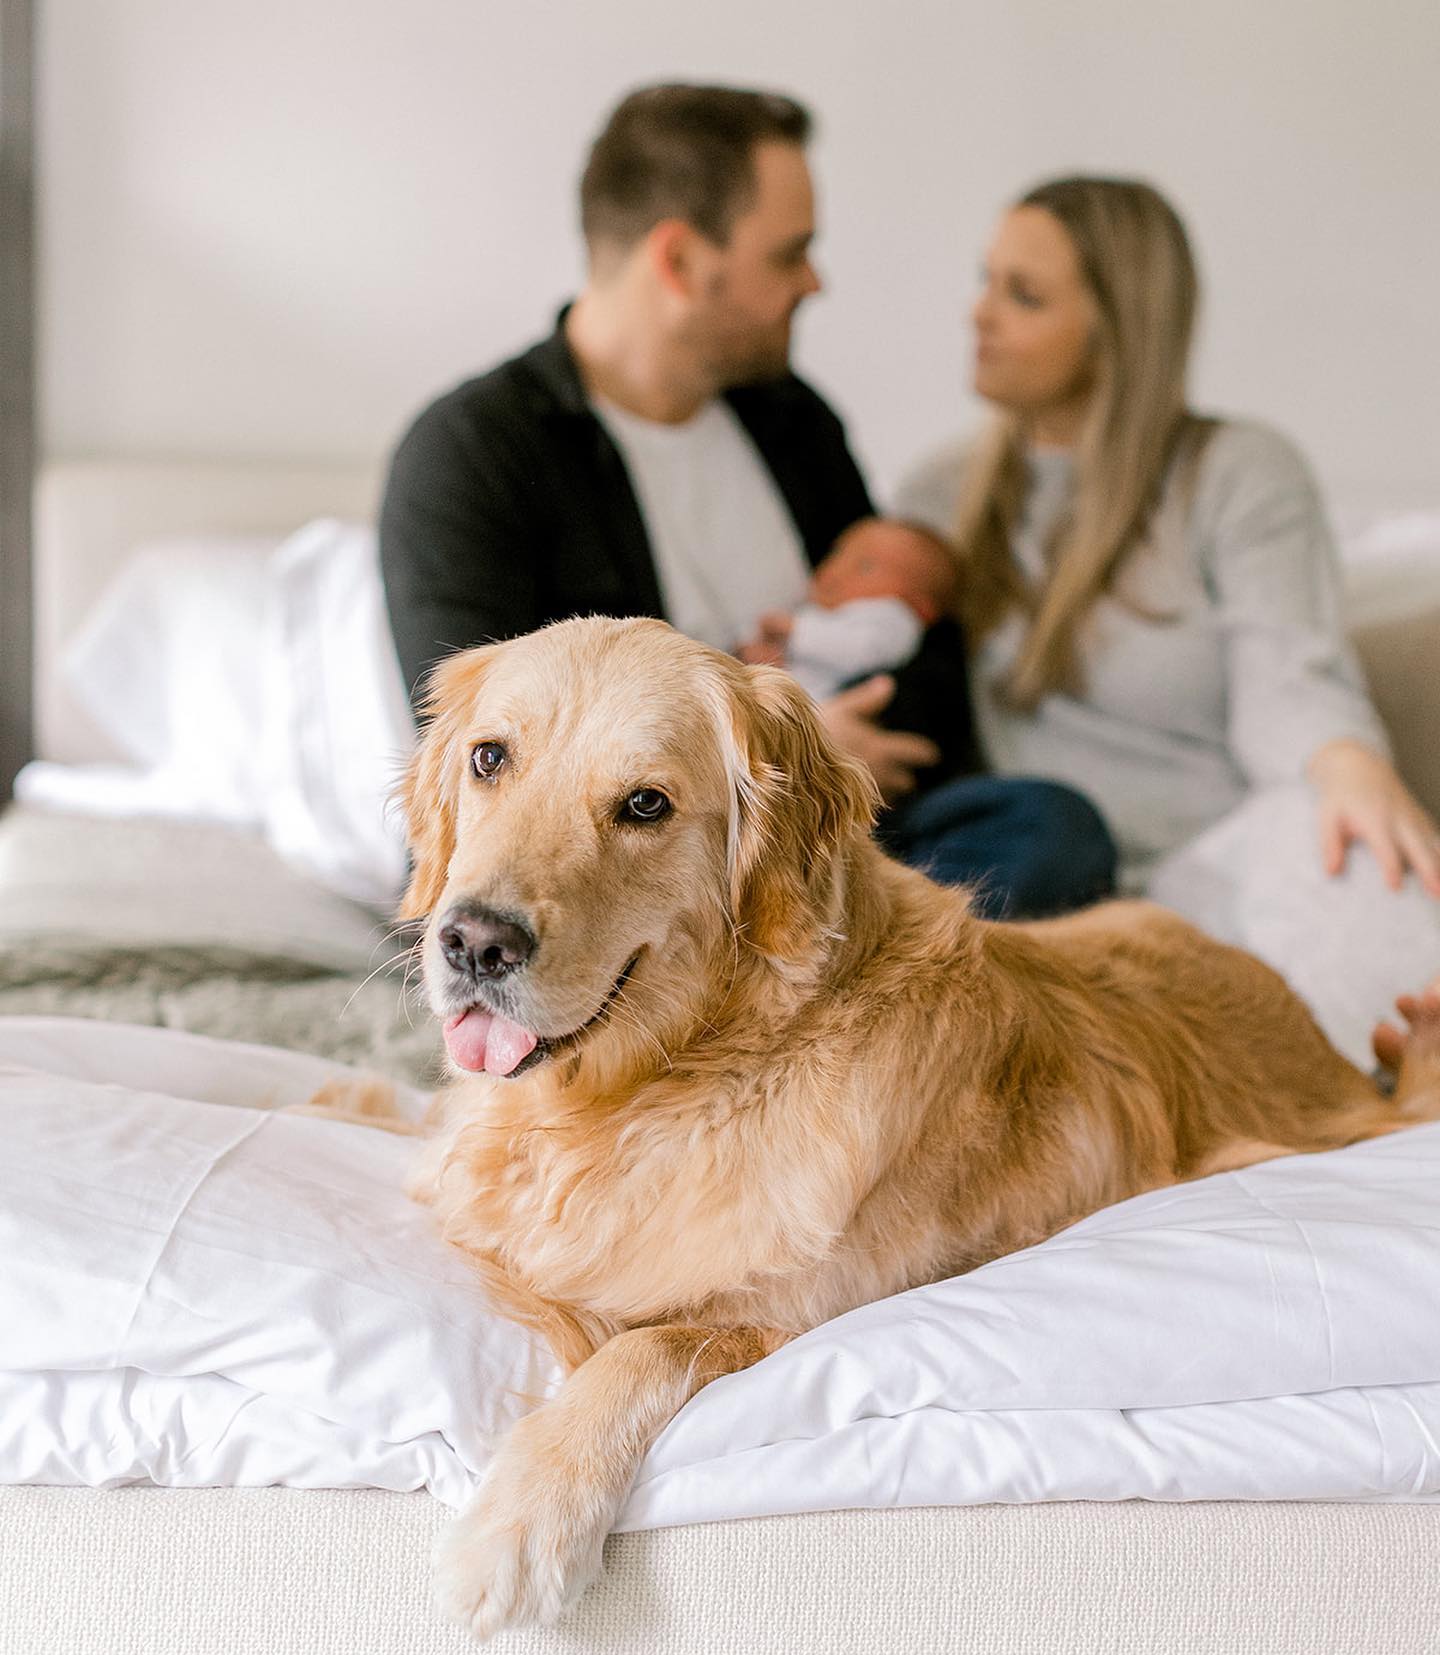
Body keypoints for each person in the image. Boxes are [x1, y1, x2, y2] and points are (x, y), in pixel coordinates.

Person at [380, 83, 1116, 919]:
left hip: (825, 834)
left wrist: (824, 764)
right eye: (788, 253)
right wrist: (770, 757)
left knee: (1055, 831)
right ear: (681, 263)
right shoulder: (475, 450)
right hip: (619, 866)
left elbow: (919, 639)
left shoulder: (790, 417)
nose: (814, 282)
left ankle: (820, 975)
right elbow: (470, 745)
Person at [897, 173, 1440, 1061]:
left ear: (1115, 335)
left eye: (1022, 295)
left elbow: (1290, 675)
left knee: (1353, 865)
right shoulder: (940, 494)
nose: (977, 314)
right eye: (985, 278)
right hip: (1055, 875)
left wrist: (1348, 766)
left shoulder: (1238, 471)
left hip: (1225, 855)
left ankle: (1397, 1085)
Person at [740, 516, 959, 701]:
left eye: (865, 566)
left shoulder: (896, 620)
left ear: (920, 607)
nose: (838, 569)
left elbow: (862, 650)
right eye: (837, 553)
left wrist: (795, 631)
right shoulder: (817, 614)